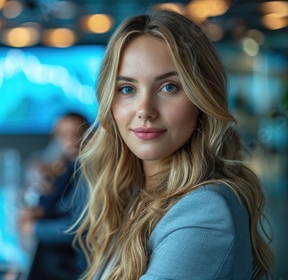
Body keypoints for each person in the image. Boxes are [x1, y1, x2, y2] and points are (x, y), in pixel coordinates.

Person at [73, 10, 274, 280]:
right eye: (127, 89)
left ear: (201, 96)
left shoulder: (204, 211)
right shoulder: (135, 193)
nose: (144, 110)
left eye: (169, 87)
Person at [19, 113, 89, 280]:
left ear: (89, 135)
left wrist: (34, 228)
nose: (71, 140)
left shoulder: (88, 171)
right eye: (63, 135)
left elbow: (78, 226)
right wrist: (41, 211)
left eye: (78, 134)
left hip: (80, 262)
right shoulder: (68, 164)